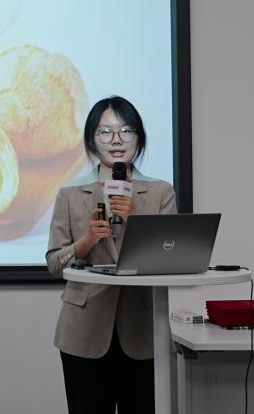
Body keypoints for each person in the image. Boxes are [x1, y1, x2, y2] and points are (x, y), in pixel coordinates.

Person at [45, 96, 177, 414]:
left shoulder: (161, 192)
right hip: (84, 329)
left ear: (138, 138)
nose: (116, 140)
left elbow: (171, 261)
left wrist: (134, 220)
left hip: (143, 330)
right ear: (92, 140)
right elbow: (54, 264)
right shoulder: (70, 194)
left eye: (126, 130)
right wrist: (87, 240)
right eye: (105, 132)